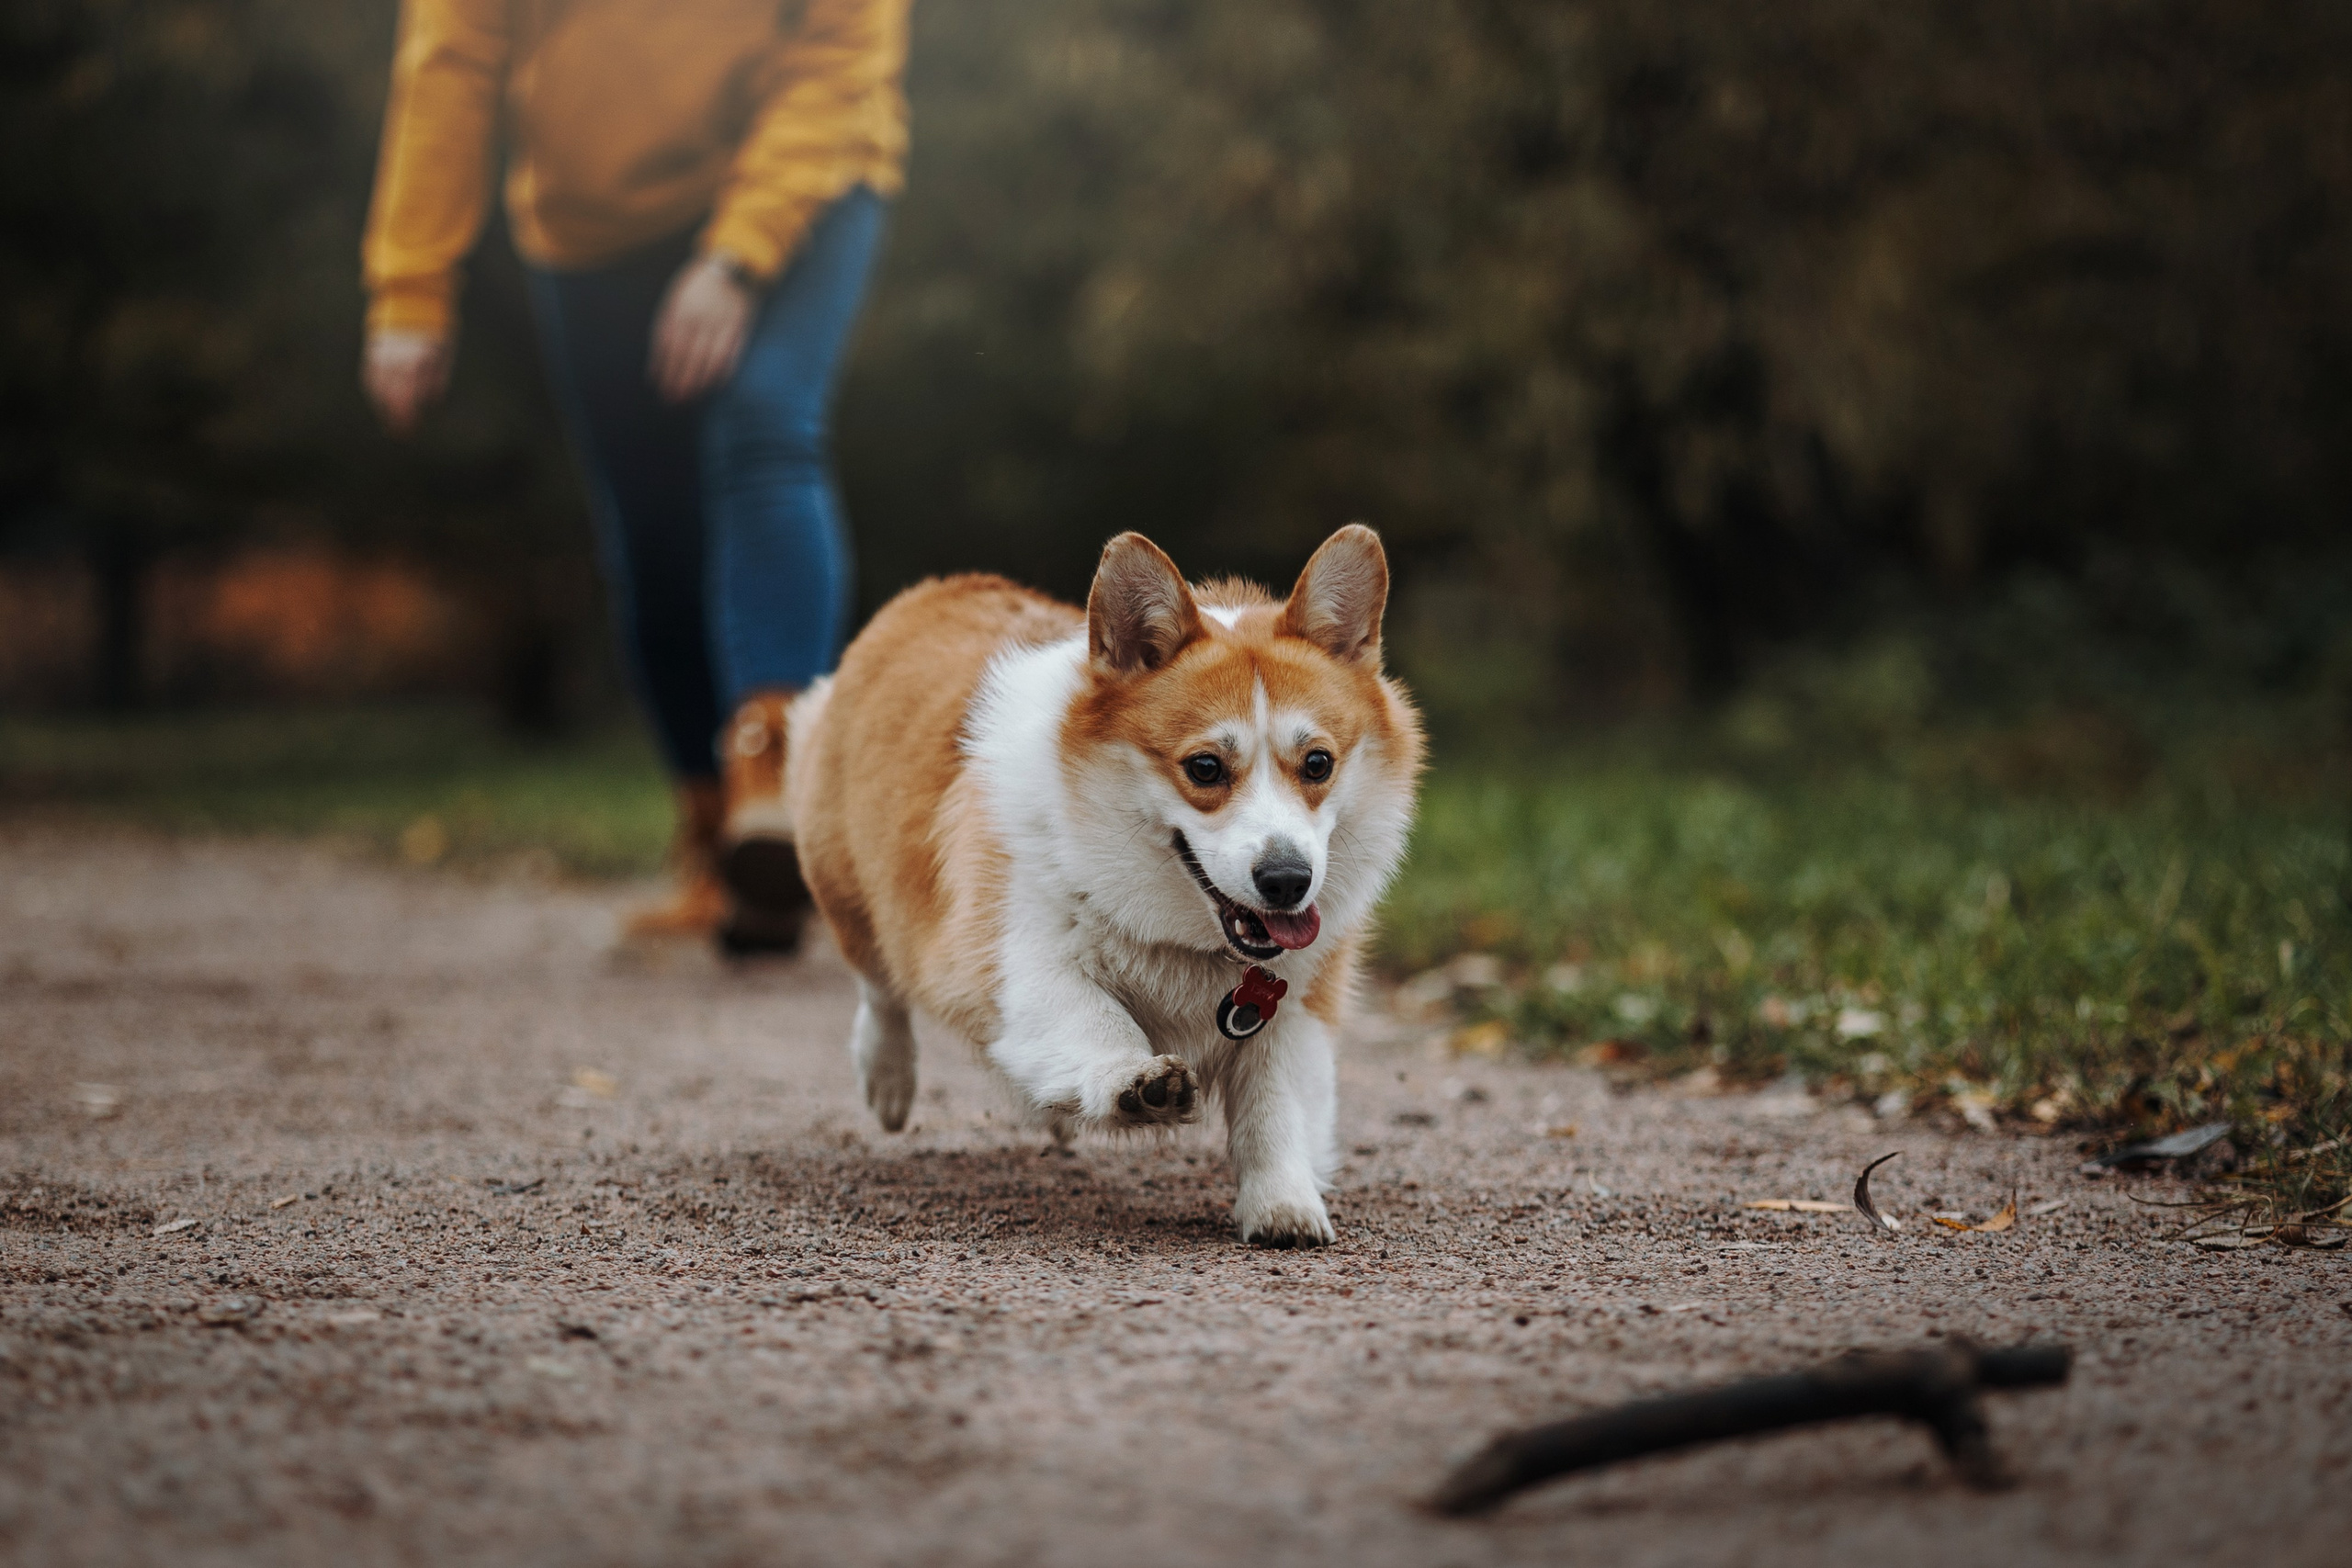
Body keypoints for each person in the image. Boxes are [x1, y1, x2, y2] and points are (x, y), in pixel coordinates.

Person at [359, 0, 910, 949]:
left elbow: (837, 56)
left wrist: (736, 258)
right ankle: (719, 846)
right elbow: (448, 63)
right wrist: (411, 284)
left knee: (764, 422)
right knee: (652, 528)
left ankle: (774, 782)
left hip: (804, 171)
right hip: (593, 225)